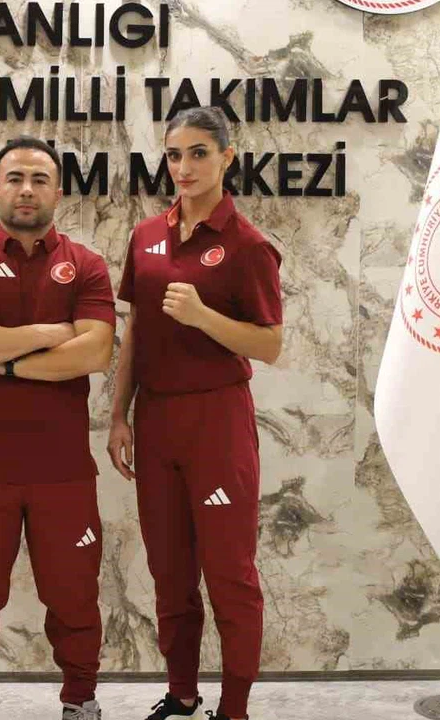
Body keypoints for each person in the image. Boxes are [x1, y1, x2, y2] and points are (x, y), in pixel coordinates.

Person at [107, 107, 283, 720]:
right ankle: (182, 692)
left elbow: (270, 345)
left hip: (217, 421)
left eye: (199, 153)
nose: (184, 167)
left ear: (227, 157)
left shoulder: (248, 245)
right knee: (169, 569)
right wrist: (119, 415)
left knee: (229, 573)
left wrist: (204, 316)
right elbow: (135, 333)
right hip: (156, 420)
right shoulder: (146, 236)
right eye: (175, 154)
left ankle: (234, 708)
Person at [0, 136, 116, 720]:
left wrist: (5, 358)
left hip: (63, 471)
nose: (26, 189)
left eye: (39, 179)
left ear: (58, 193)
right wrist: (50, 334)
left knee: (74, 595)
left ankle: (81, 701)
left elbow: (96, 352)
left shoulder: (86, 265)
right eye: (14, 178)